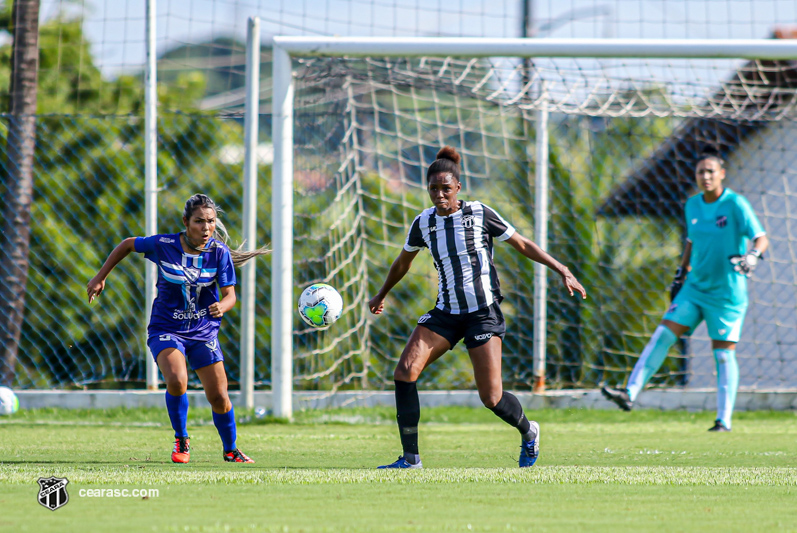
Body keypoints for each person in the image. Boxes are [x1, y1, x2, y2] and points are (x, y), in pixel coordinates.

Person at [368, 146, 587, 469]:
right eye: (433, 189)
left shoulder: (479, 214)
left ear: (458, 187)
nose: (439, 195)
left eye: (446, 189)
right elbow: (403, 263)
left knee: (492, 398)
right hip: (446, 313)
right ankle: (411, 458)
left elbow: (523, 243)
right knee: (404, 373)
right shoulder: (423, 223)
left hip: (483, 314)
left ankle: (529, 431)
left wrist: (562, 270)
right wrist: (381, 293)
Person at [87, 194, 269, 463]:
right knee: (177, 380)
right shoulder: (164, 244)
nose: (206, 228)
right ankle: (181, 439)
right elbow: (127, 244)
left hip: (203, 330)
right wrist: (100, 277)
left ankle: (231, 450)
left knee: (219, 397)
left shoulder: (218, 253)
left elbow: (230, 295)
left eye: (210, 221)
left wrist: (223, 306)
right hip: (166, 327)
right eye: (199, 221)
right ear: (185, 222)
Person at [602, 151, 768, 432]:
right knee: (663, 334)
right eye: (701, 172)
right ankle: (629, 393)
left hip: (727, 294)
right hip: (694, 288)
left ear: (722, 174)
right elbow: (691, 241)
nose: (705, 176)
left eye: (710, 171)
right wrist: (681, 272)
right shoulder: (692, 205)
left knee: (723, 355)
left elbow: (761, 238)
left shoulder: (736, 204)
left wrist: (752, 257)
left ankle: (723, 421)